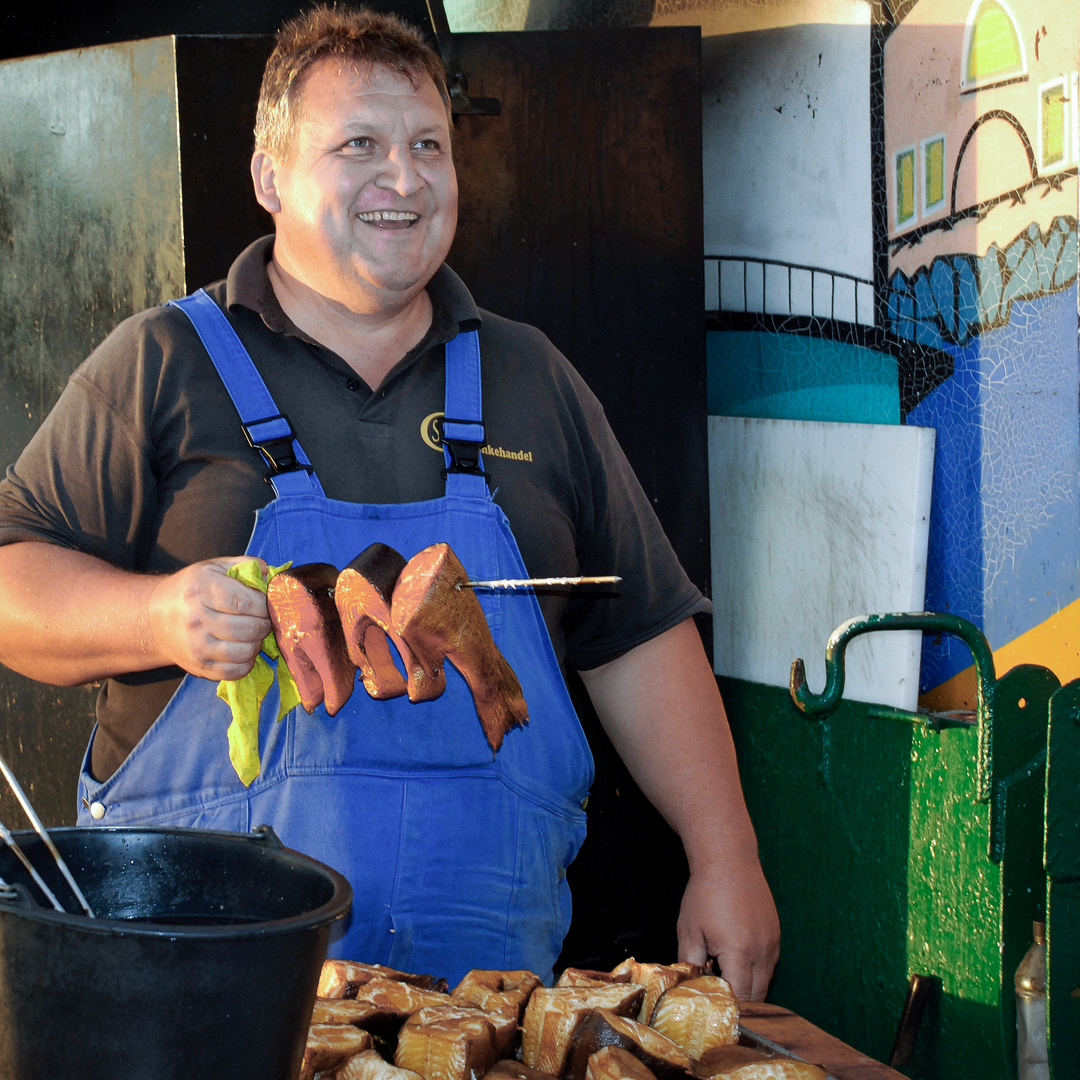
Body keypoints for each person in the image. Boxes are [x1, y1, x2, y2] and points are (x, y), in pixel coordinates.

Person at [0, 6, 778, 994]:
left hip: (480, 1009)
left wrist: (725, 855)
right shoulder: (160, 365)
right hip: (198, 1007)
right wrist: (154, 613)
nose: (404, 180)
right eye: (359, 145)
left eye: (428, 147)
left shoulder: (531, 378)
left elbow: (638, 634)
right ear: (269, 176)